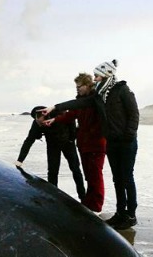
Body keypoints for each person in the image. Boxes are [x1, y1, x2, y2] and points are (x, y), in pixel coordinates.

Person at [39, 59, 140, 230]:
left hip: (125, 143)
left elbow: (134, 114)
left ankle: (130, 215)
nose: (95, 79)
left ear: (107, 74)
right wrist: (54, 108)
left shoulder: (122, 90)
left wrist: (129, 136)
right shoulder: (99, 96)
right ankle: (120, 213)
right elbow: (77, 104)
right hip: (112, 143)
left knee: (126, 178)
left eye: (97, 76)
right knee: (117, 180)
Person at [42, 73, 106, 213]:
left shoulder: (96, 99)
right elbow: (71, 114)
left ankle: (96, 207)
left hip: (96, 144)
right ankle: (88, 203)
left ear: (88, 85)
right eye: (76, 86)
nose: (77, 89)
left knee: (96, 176)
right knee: (88, 176)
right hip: (84, 144)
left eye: (79, 86)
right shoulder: (80, 101)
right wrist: (55, 120)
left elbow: (102, 123)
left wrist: (87, 134)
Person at [15, 106, 86, 201]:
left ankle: (83, 197)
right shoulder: (36, 123)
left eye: (42, 121)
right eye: (38, 122)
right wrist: (20, 160)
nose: (41, 124)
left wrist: (71, 138)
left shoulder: (59, 113)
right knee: (52, 171)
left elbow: (71, 121)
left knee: (75, 169)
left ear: (45, 114)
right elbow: (29, 141)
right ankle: (53, 198)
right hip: (52, 145)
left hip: (67, 143)